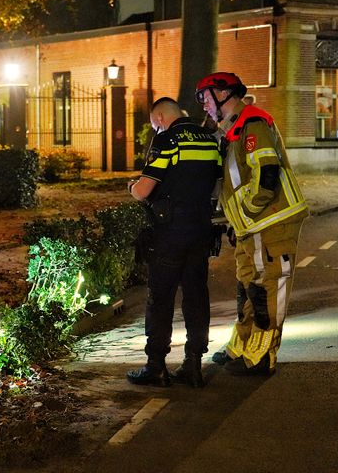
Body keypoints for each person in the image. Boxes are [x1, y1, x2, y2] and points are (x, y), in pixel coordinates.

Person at [196, 72, 309, 376]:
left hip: (270, 222)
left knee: (268, 287)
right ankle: (244, 347)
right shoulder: (234, 130)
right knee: (250, 287)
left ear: (223, 94)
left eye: (205, 98)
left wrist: (245, 212)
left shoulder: (252, 124)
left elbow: (266, 176)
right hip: (252, 226)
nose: (203, 105)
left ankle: (262, 356)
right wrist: (235, 222)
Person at [126, 97, 223, 388]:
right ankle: (193, 363)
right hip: (200, 230)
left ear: (159, 116)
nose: (155, 128)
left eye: (154, 123)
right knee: (196, 296)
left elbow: (144, 190)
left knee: (161, 298)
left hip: (170, 232)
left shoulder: (168, 140)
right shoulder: (209, 140)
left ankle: (156, 366)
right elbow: (217, 183)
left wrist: (132, 187)